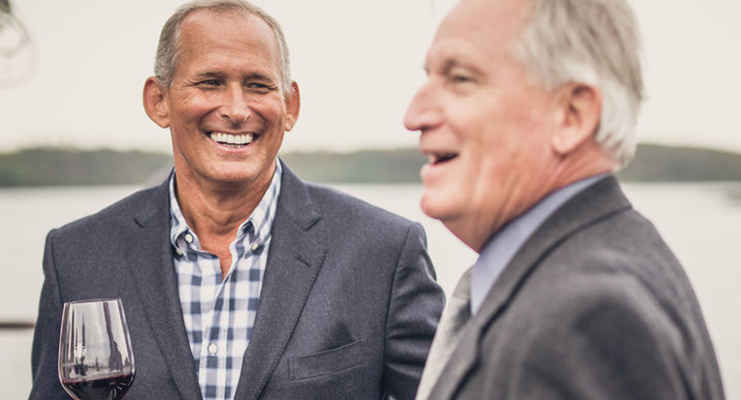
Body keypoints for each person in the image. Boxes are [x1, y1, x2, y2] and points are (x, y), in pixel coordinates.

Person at [29, 1, 444, 399]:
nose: (236, 109)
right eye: (210, 82)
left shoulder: (383, 253)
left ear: (290, 106)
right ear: (159, 101)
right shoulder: (77, 257)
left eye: (258, 85)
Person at [403, 0, 725, 399]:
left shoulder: (587, 317)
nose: (414, 115)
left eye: (462, 79)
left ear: (571, 114)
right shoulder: (604, 257)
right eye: (429, 79)